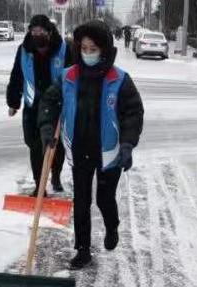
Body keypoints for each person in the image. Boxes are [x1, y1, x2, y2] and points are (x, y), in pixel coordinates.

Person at [39, 20, 144, 270]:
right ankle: (83, 249)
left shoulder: (119, 79)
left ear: (104, 49)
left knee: (104, 199)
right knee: (82, 201)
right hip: (79, 149)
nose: (88, 53)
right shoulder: (68, 76)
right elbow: (49, 103)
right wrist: (46, 129)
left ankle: (112, 225)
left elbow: (133, 112)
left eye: (93, 48)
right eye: (84, 48)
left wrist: (128, 144)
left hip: (109, 153)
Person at [7, 15, 72, 195]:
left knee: (55, 145)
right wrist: (13, 102)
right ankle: (39, 185)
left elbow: (72, 78)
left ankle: (56, 175)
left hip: (55, 107)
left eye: (41, 31)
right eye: (33, 31)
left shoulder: (63, 50)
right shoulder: (24, 50)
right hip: (32, 105)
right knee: (34, 144)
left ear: (49, 33)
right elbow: (17, 76)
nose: (37, 35)